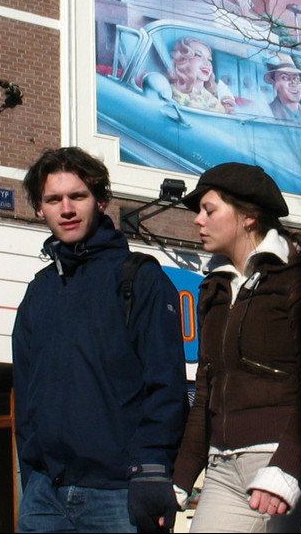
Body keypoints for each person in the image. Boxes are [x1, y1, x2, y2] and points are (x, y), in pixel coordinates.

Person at [13, 147, 188, 533]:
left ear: (102, 201)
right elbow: (25, 396)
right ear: (40, 210)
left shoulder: (139, 279)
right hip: (44, 499)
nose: (67, 209)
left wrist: (151, 471)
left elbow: (166, 385)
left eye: (78, 196)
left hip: (118, 496)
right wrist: (32, 476)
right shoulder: (37, 294)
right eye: (53, 199)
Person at [171, 163, 301, 532]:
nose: (198, 220)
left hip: (292, 466)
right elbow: (205, 391)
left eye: (209, 210)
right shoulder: (212, 289)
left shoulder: (300, 276)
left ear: (249, 216)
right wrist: (180, 480)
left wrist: (286, 467)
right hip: (222, 472)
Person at [168, 37, 233, 114]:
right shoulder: (174, 91)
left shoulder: (212, 98)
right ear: (183, 59)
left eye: (209, 59)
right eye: (198, 55)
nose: (207, 63)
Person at [264, 55, 301, 121]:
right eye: (285, 78)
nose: (293, 83)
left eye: (296, 78)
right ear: (274, 82)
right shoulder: (267, 113)